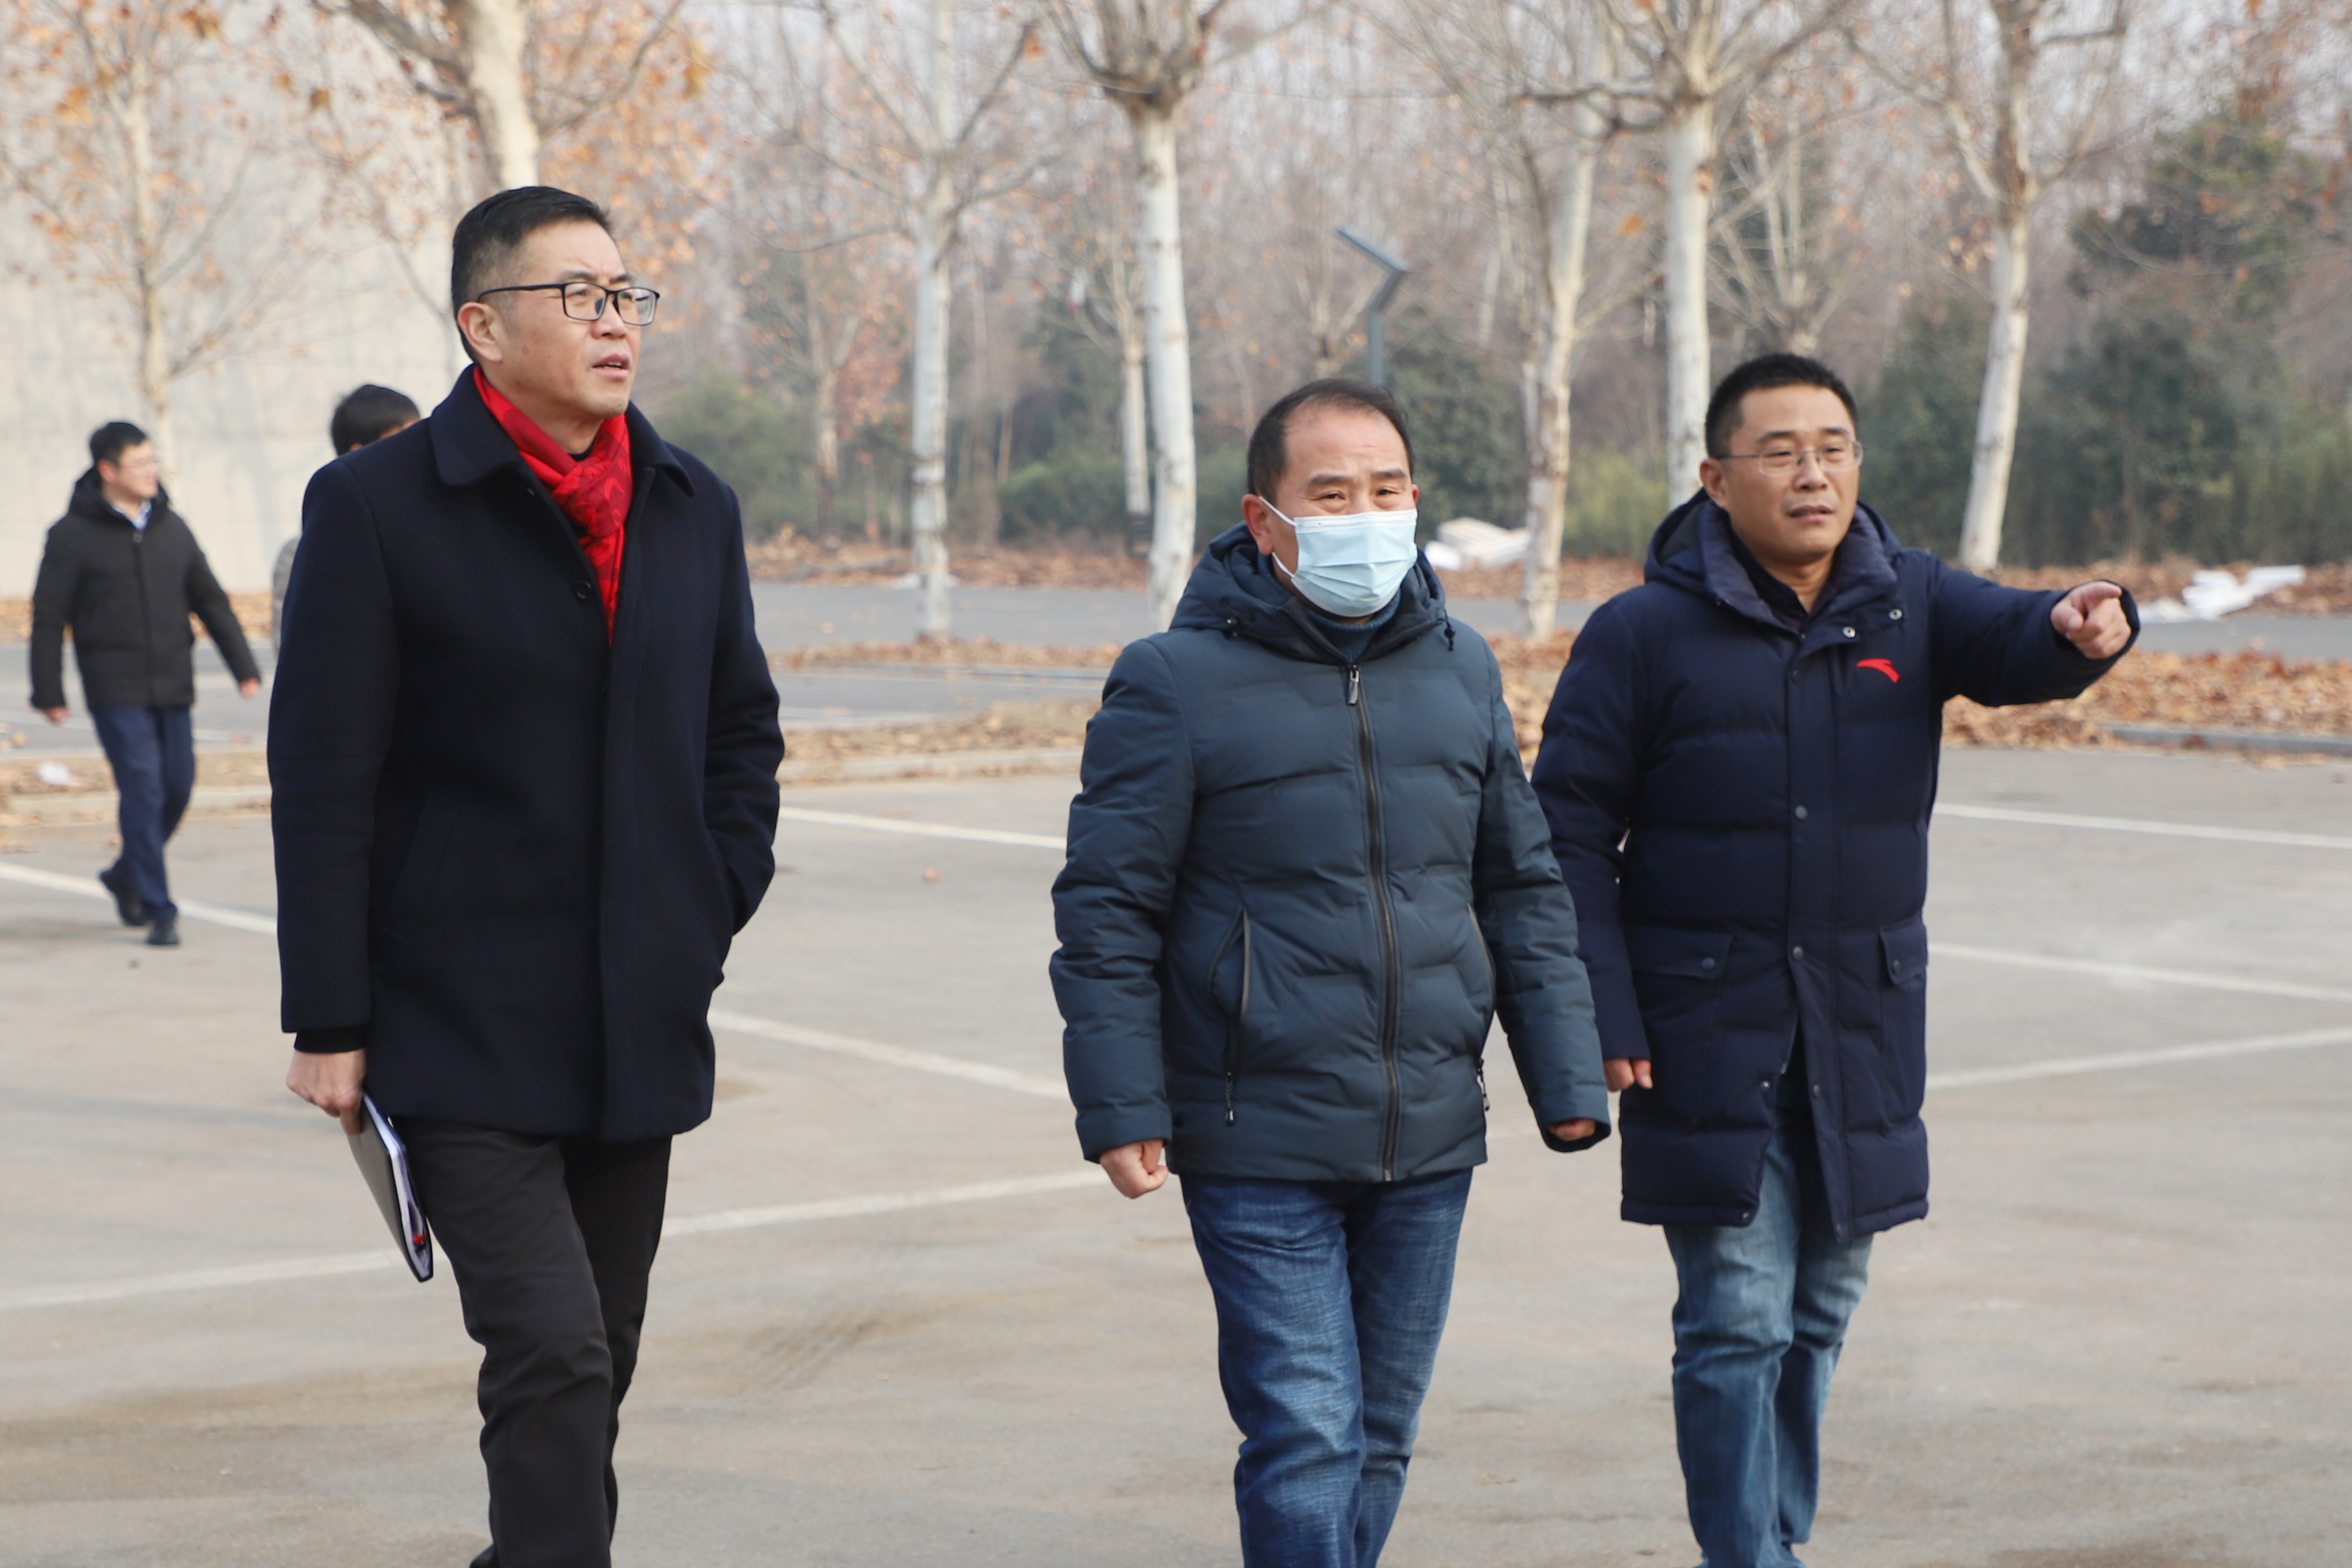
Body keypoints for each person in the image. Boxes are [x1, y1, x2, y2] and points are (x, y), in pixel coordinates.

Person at [1531, 353, 2137, 1568]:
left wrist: (2077, 622)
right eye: (1779, 451)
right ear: (1714, 478)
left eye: (1831, 448)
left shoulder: (1907, 599)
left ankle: (1773, 1535)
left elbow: (2014, 636)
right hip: (1702, 1028)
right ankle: (1748, 1554)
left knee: (1816, 1306)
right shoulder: (1641, 633)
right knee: (1737, 1313)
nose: (1811, 473)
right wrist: (1597, 1008)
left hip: (1857, 1020)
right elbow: (1565, 833)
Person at [273, 186, 784, 1568]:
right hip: (458, 1021)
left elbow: (738, 731)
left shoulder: (691, 504)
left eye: (627, 295)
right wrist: (329, 1016)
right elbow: (324, 774)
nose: (615, 322)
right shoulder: (375, 507)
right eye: (578, 295)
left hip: (637, 1015)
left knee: (598, 1353)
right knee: (551, 1348)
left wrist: (703, 902)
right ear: (483, 326)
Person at [1051, 378, 1611, 1568]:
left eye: (1387, 490)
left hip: (1429, 1128)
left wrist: (1564, 1072)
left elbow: (1519, 880)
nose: (1366, 515)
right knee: (1307, 1430)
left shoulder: (1460, 667)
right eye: (1332, 494)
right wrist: (1120, 1101)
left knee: (1380, 1435)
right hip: (1254, 1128)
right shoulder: (1171, 679)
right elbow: (1107, 907)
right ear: (1264, 520)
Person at [27, 420, 264, 947]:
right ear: (108, 470)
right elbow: (48, 617)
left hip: (172, 682)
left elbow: (209, 597)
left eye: (153, 461)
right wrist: (49, 691)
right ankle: (159, 908)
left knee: (177, 786)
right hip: (114, 686)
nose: (152, 472)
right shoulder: (71, 535)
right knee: (143, 787)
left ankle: (125, 873)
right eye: (140, 463)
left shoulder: (171, 527)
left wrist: (243, 664)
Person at [271, 384, 421, 647]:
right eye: (403, 443)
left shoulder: (431, 529)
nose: (419, 454)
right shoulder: (308, 550)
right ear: (360, 455)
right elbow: (296, 647)